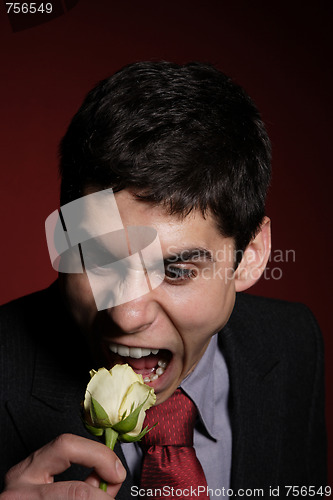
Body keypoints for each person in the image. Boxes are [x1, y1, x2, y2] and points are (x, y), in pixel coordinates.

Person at [0, 61, 327, 499]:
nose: (125, 313)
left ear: (250, 256)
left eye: (176, 271)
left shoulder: (293, 342)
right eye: (97, 258)